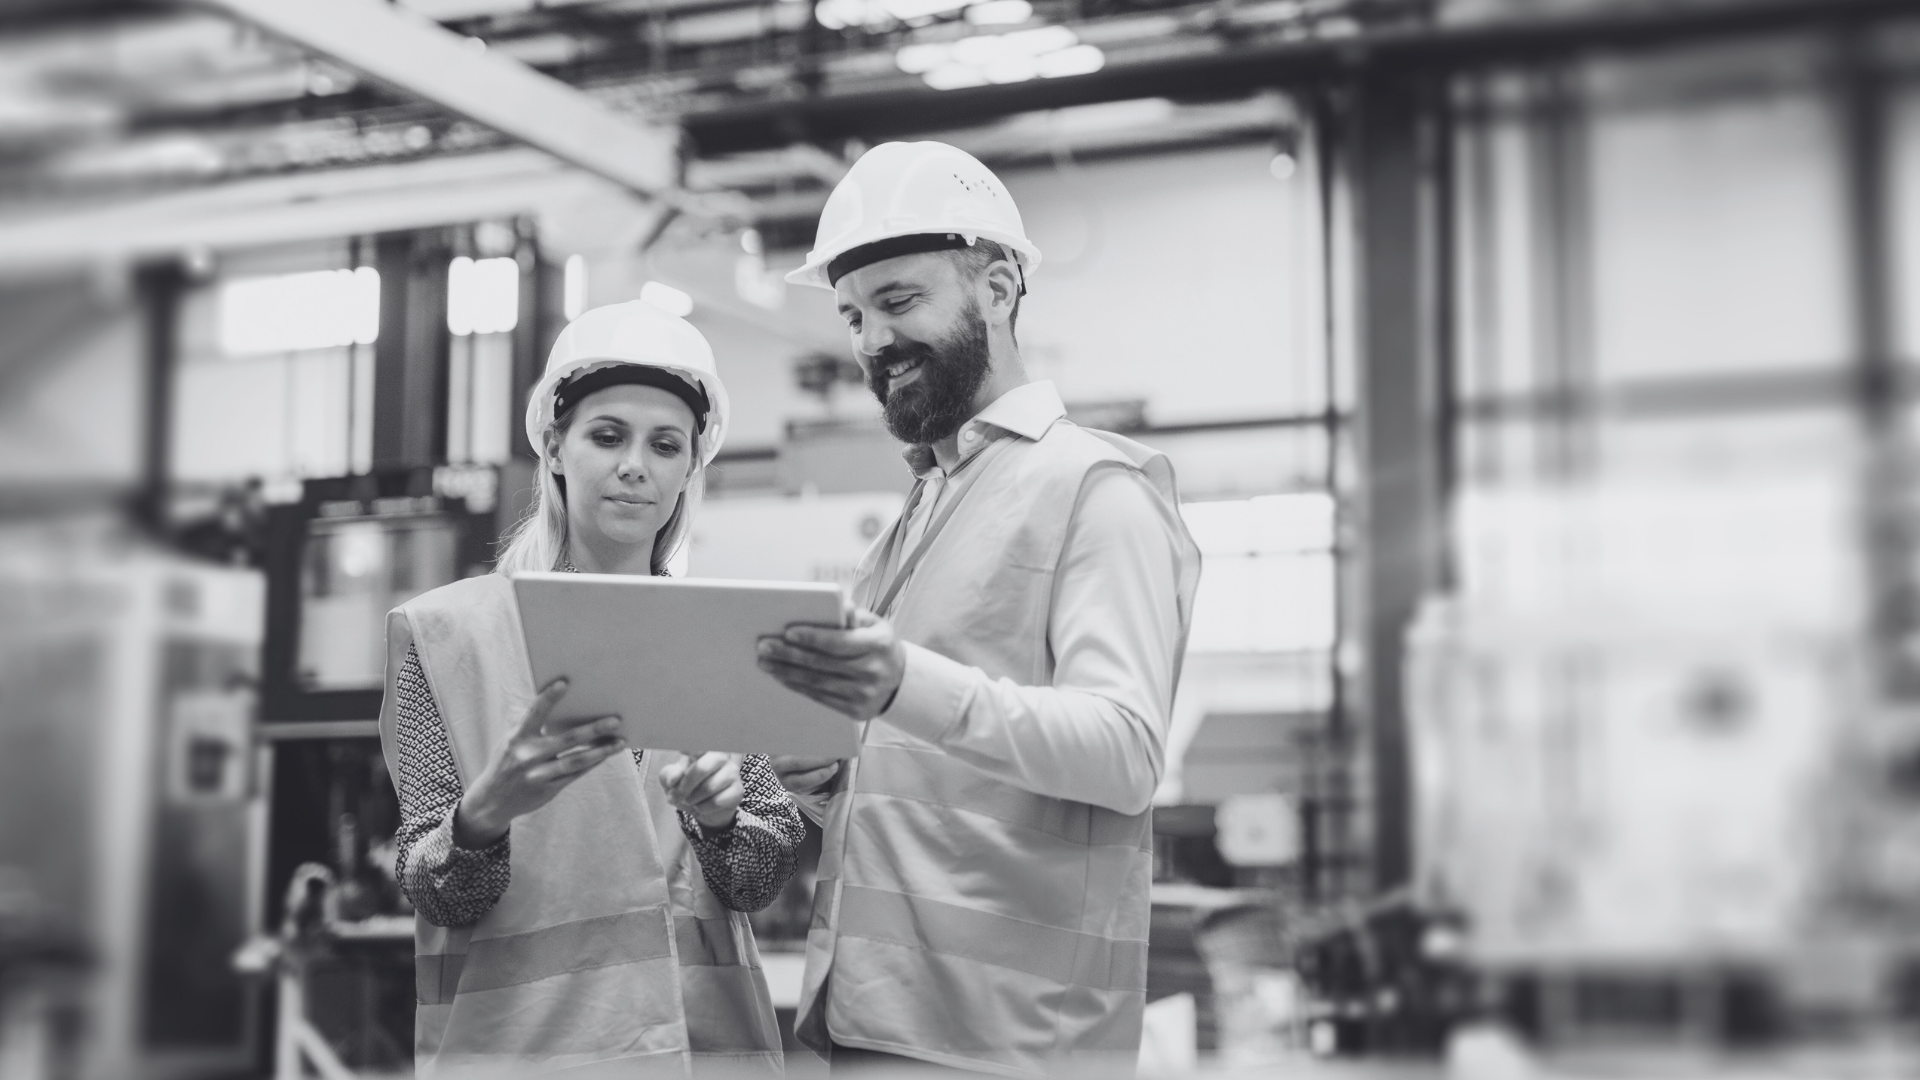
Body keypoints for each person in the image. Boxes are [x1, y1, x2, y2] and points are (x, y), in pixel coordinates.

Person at [760, 142, 1202, 1076]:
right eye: (853, 315)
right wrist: (829, 778)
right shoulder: (924, 509)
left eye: (898, 300)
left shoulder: (1096, 489)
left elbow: (1125, 754)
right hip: (881, 1017)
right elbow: (947, 778)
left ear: (997, 289)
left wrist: (899, 686)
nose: (871, 341)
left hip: (1014, 1040)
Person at [377, 300, 804, 1078]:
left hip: (701, 1055)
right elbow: (435, 892)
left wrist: (721, 823)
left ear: (689, 468)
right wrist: (482, 818)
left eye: (665, 445)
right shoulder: (450, 637)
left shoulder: (719, 634)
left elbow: (760, 879)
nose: (635, 465)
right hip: (524, 1055)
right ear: (555, 446)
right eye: (607, 436)